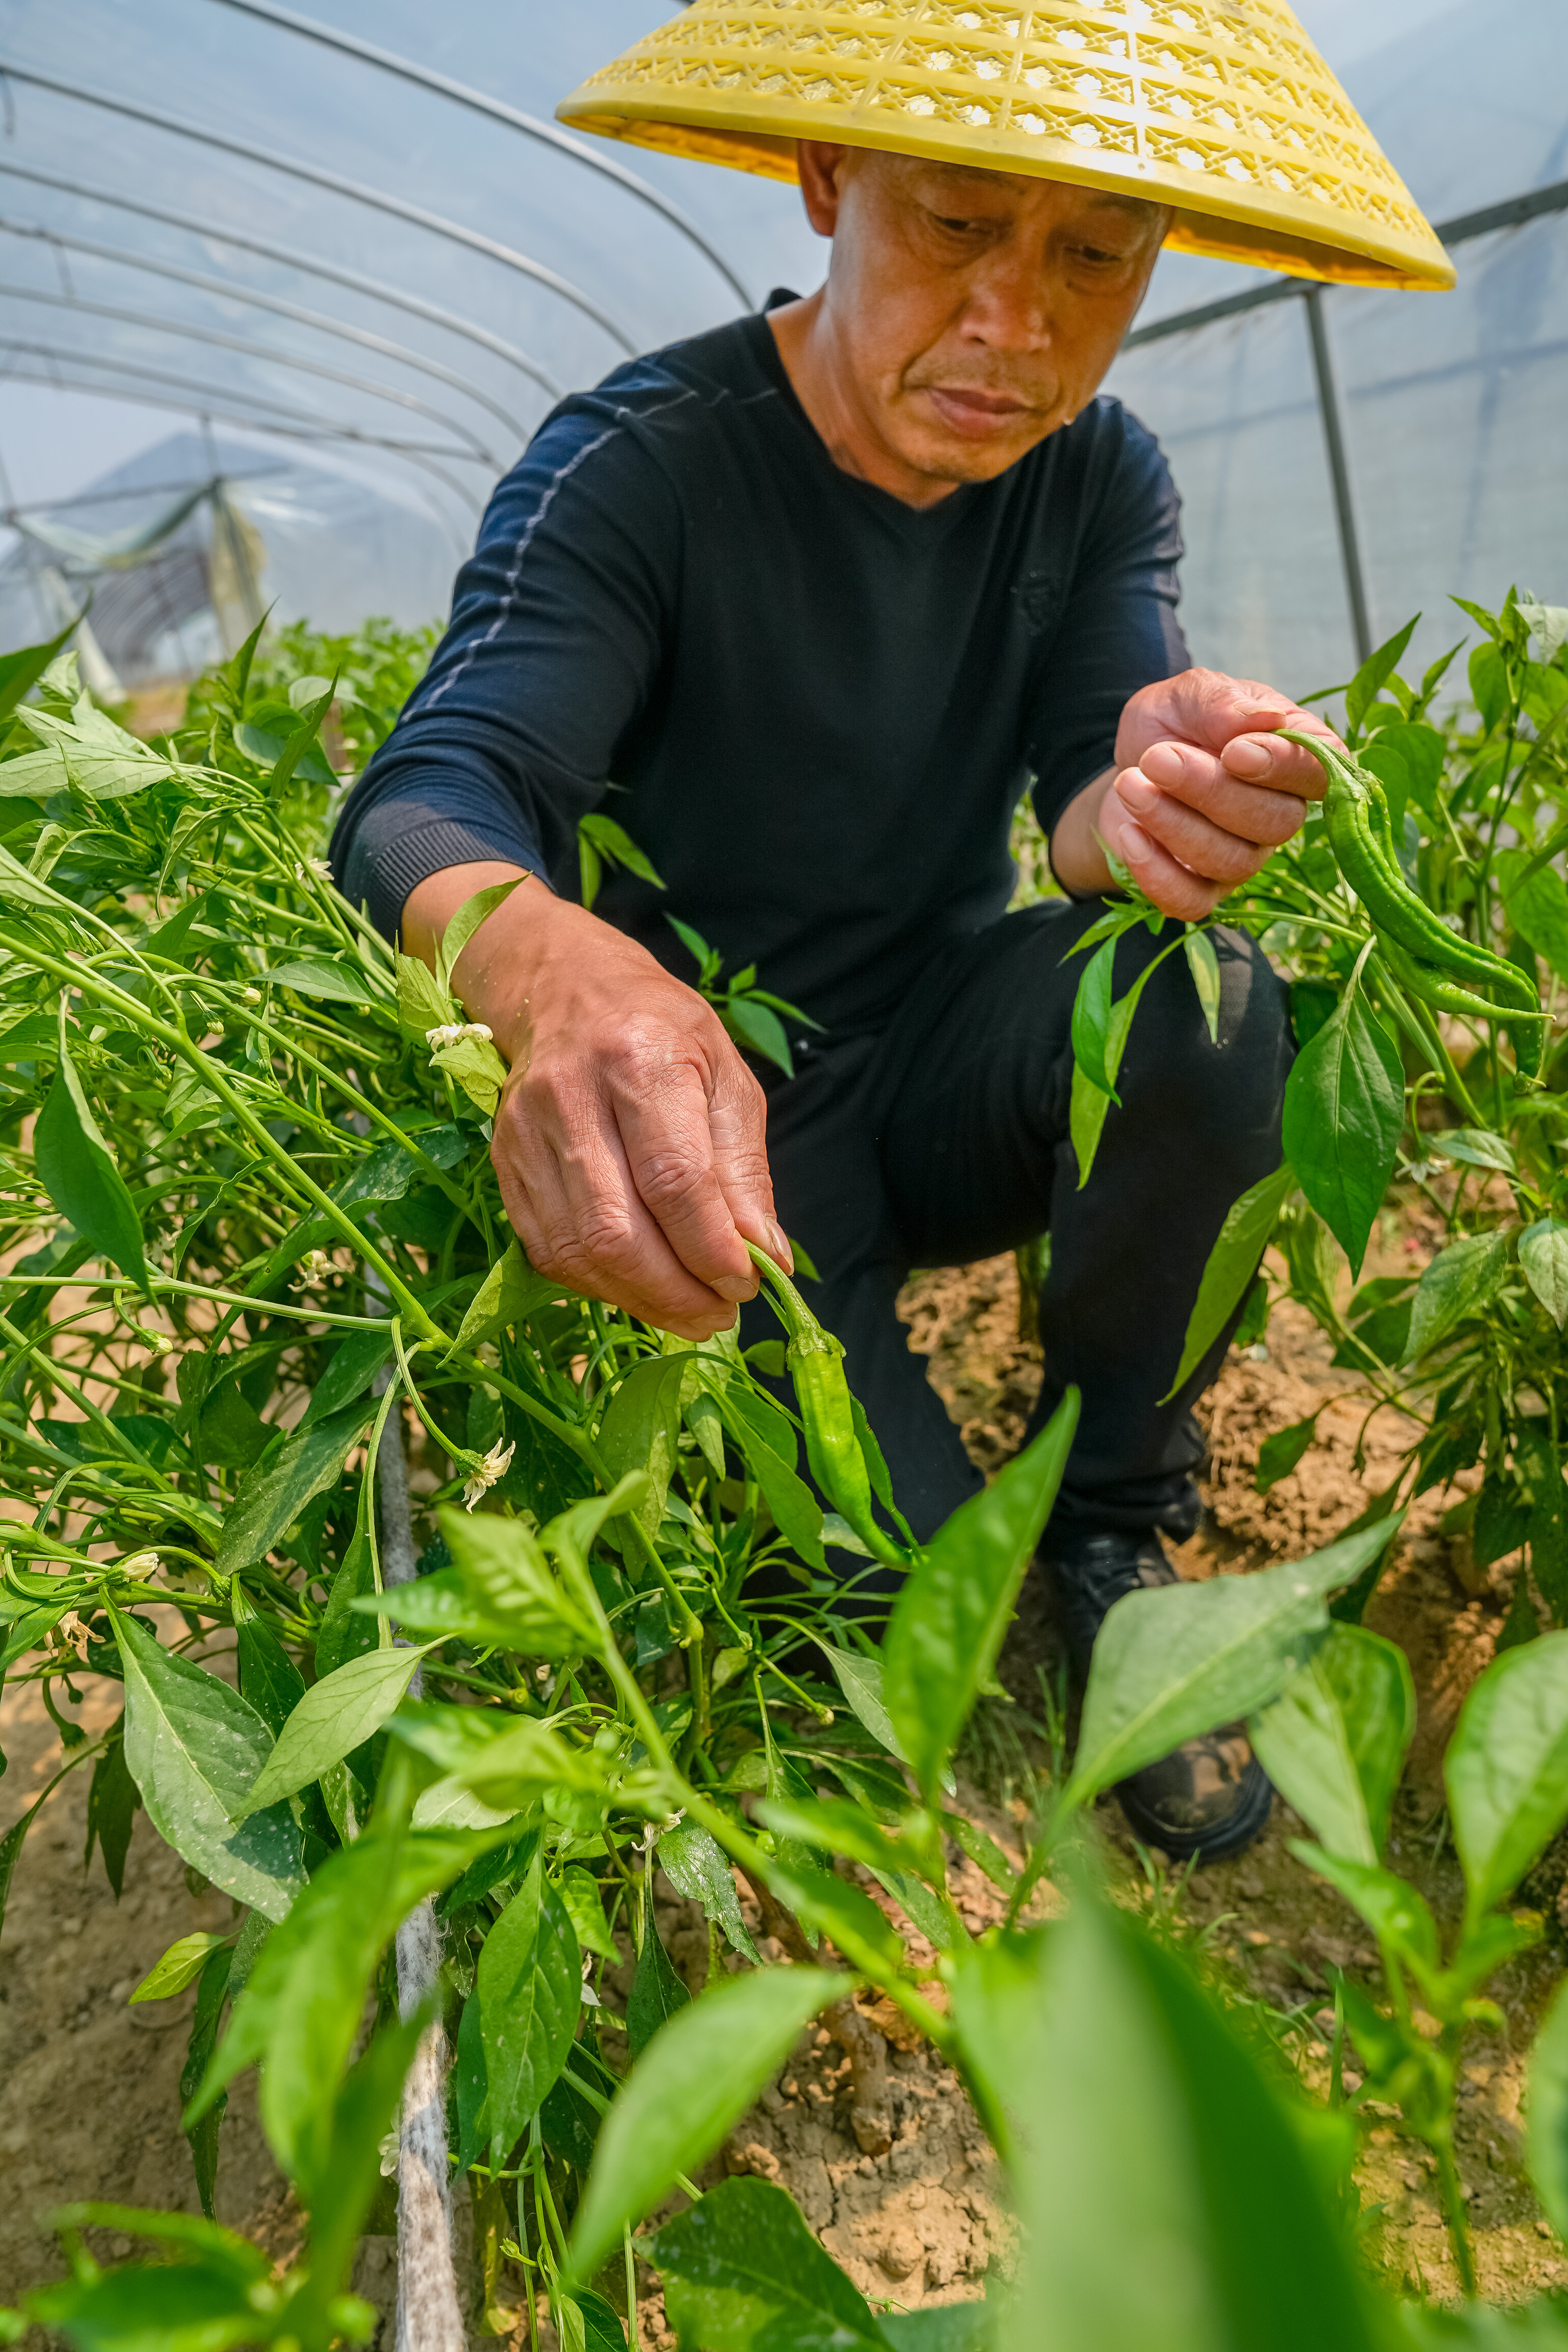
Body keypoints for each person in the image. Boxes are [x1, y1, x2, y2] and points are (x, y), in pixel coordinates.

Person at [331, 7, 1451, 1863]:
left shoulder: (1098, 476)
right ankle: (912, 1498)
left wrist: (1153, 798)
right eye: (954, 228)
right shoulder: (650, 463)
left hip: (938, 1066)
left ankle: (1109, 1517)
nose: (1018, 321)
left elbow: (1091, 802)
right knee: (891, 1608)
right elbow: (424, 797)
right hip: (726, 1141)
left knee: (1207, 1004)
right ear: (830, 181)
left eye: (1096, 255)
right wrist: (570, 971)